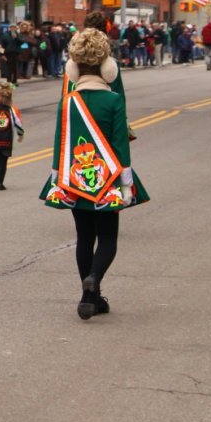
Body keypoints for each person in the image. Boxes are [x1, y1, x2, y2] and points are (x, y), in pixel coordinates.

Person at [40, 29, 150, 320]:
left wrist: (56, 178)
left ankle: (88, 297)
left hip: (75, 179)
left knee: (84, 237)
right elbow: (120, 145)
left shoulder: (67, 101)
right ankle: (95, 281)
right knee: (108, 238)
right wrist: (126, 184)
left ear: (73, 67)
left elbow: (60, 144)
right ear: (107, 67)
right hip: (108, 179)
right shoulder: (114, 101)